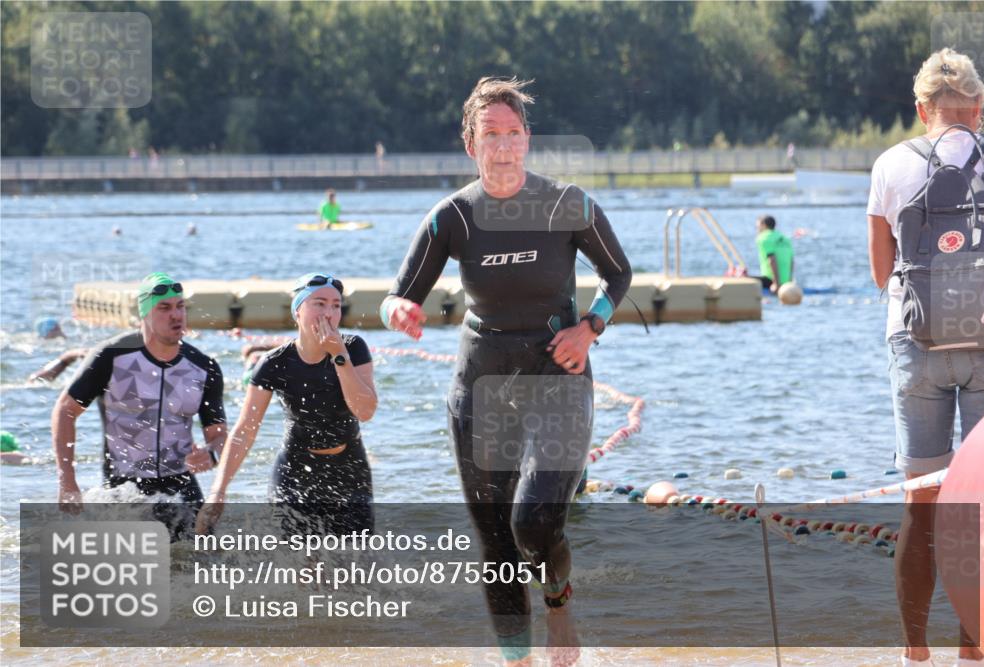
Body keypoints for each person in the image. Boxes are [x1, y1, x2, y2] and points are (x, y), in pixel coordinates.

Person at [380, 76, 632, 667]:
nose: (503, 145)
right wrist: (398, 311)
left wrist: (590, 326)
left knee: (535, 521)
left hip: (557, 374)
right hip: (482, 380)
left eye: (513, 133)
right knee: (495, 542)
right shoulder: (453, 217)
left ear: (528, 140)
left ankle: (559, 602)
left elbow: (617, 274)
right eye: (490, 134)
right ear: (470, 143)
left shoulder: (568, 202)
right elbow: (399, 294)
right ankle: (517, 660)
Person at [867, 48, 984, 667]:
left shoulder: (892, 164)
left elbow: (879, 273)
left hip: (916, 345)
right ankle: (974, 646)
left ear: (922, 109)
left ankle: (914, 652)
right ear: (978, 109)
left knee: (920, 507)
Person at [195, 273, 378, 537]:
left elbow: (365, 410)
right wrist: (218, 490)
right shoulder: (275, 363)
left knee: (354, 571)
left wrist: (339, 356)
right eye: (319, 303)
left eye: (336, 305)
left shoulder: (353, 349)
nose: (329, 313)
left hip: (349, 471)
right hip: (295, 473)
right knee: (303, 568)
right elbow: (245, 429)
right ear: (298, 311)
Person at [51, 273, 227, 539]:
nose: (176, 315)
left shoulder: (204, 367)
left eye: (180, 307)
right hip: (125, 492)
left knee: (202, 570)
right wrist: (67, 479)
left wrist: (211, 453)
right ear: (144, 313)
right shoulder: (111, 356)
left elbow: (220, 436)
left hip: (182, 492)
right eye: (164, 308)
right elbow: (65, 411)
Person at [754, 215, 794, 293]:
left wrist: (776, 284)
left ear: (764, 225)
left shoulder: (763, 238)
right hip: (786, 282)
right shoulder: (785, 238)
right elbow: (791, 261)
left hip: (771, 281)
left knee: (740, 279)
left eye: (757, 226)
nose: (757, 229)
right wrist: (789, 282)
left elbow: (772, 260)